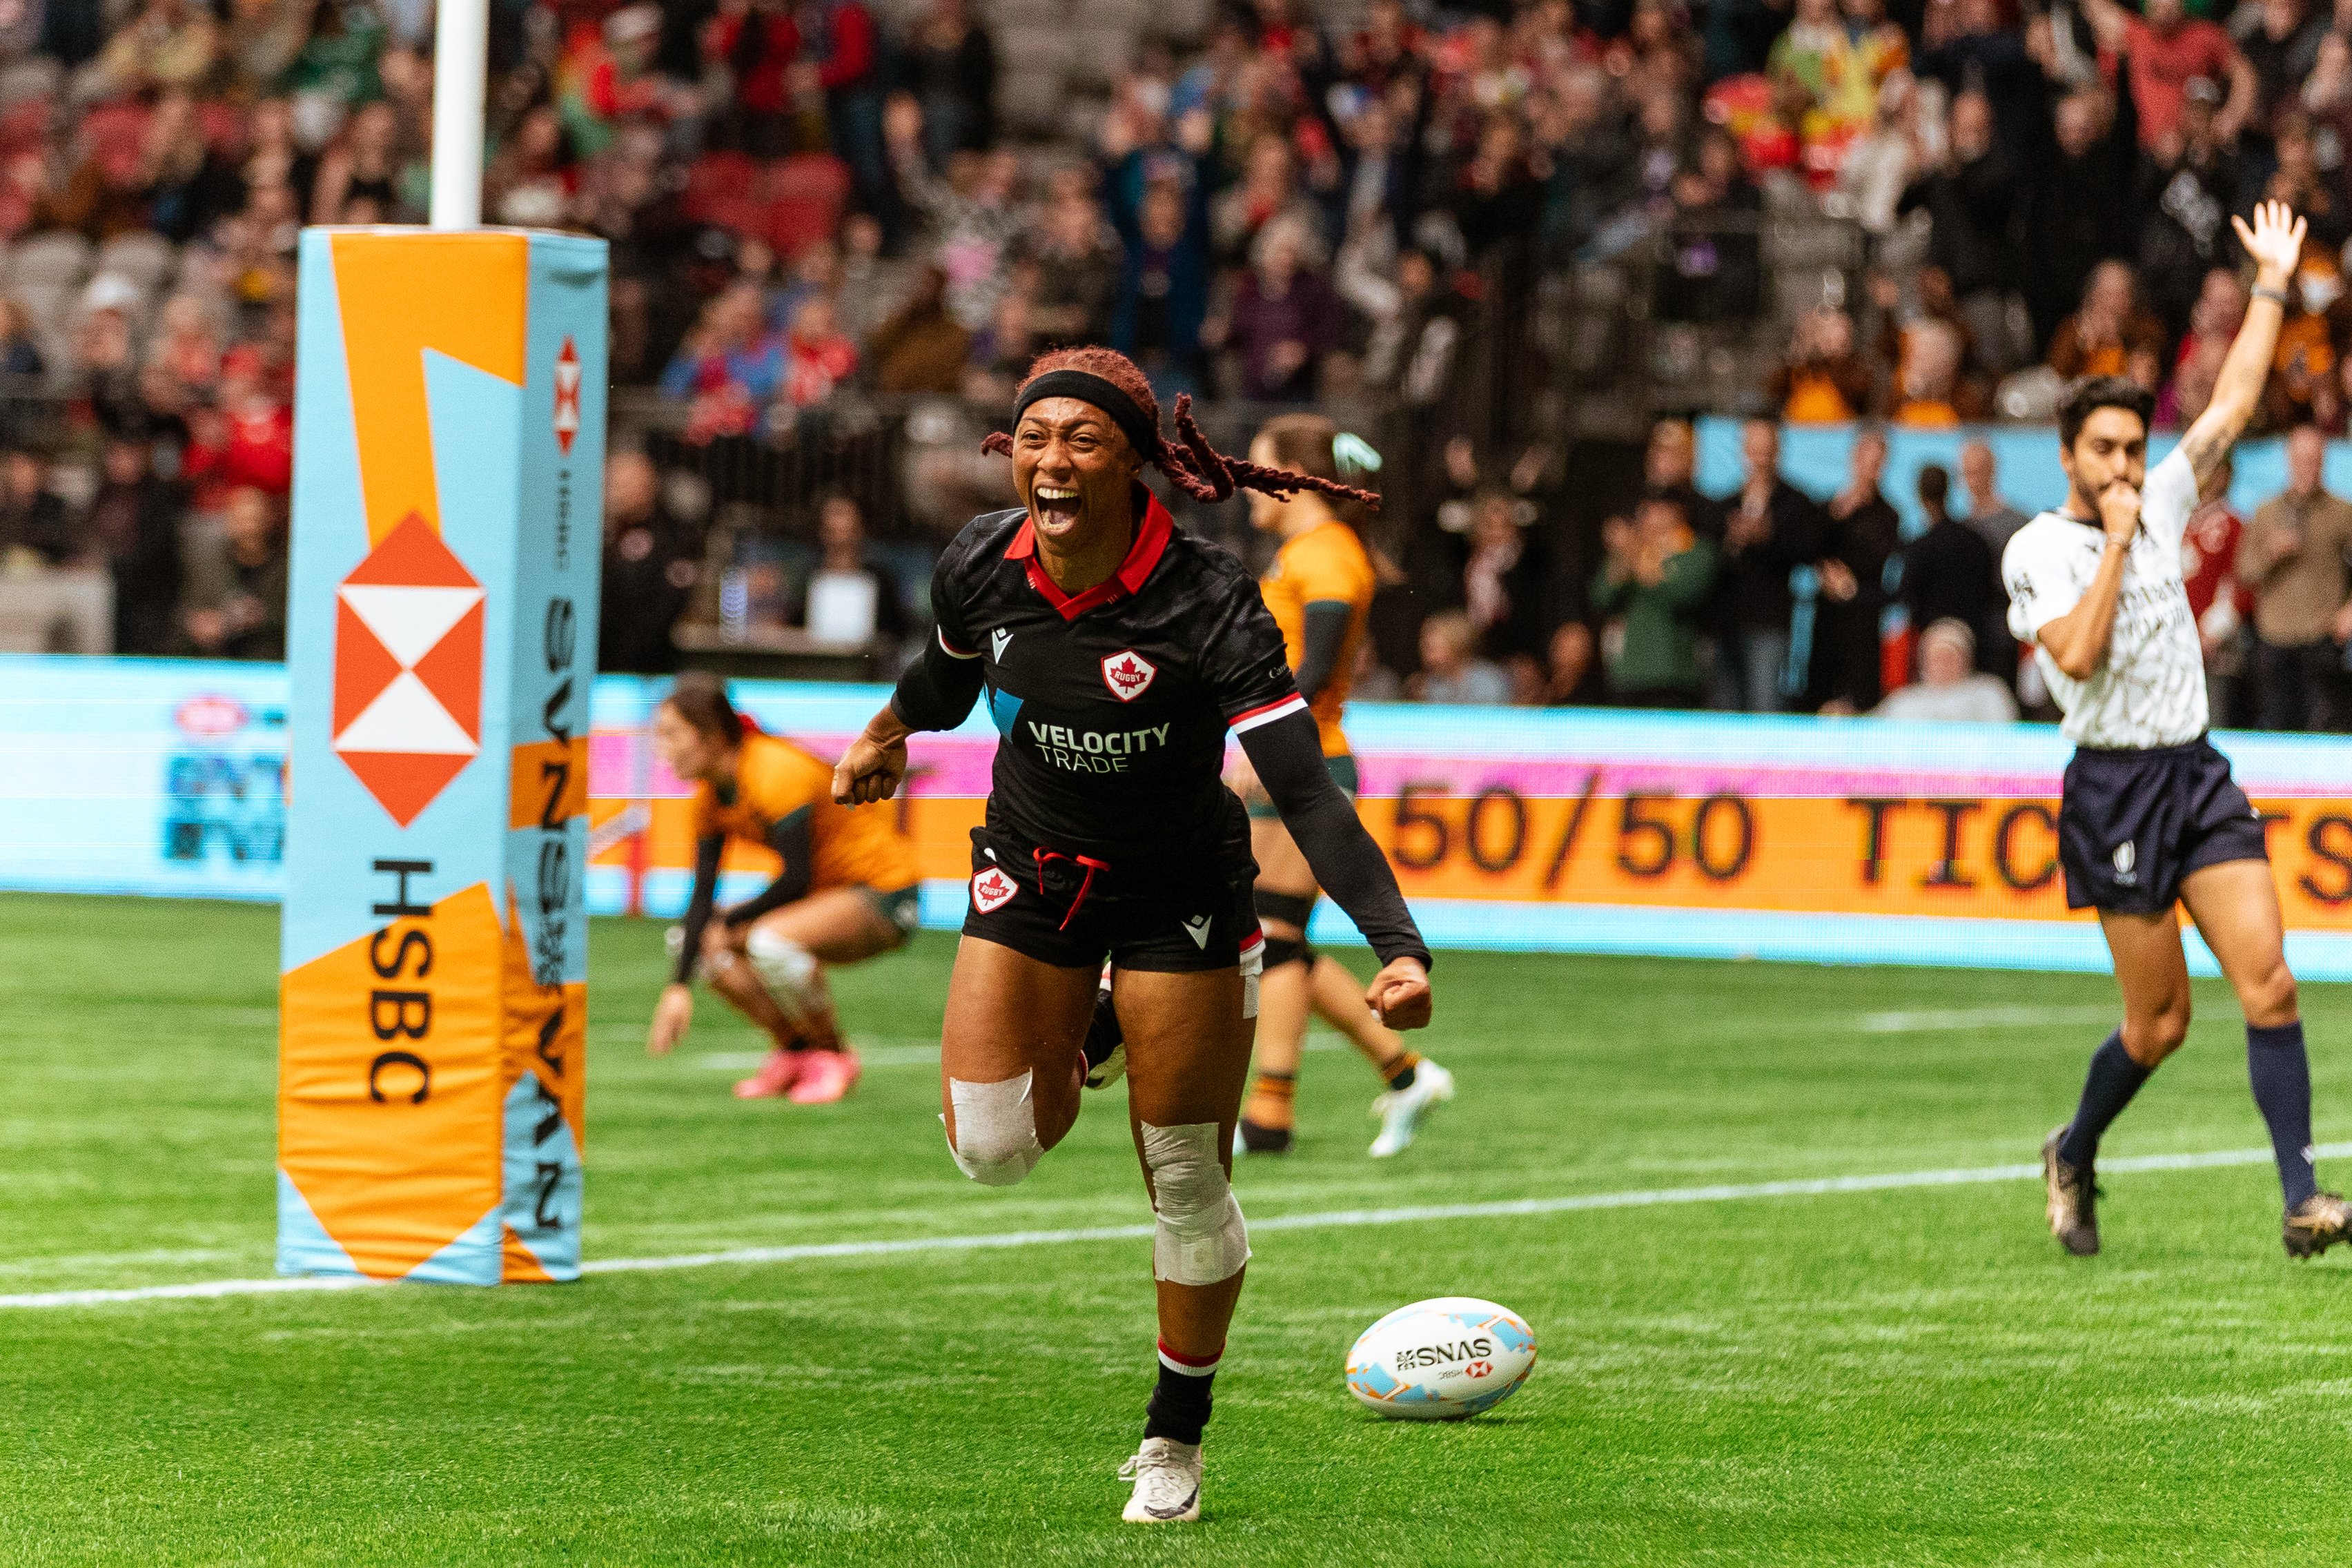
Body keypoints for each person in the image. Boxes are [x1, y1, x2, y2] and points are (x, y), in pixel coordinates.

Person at [827, 347, 1431, 1523]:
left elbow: (1303, 795)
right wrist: (885, 728)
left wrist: (1395, 941)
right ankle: (1091, 1029)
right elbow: (948, 676)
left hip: (1183, 892)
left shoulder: (1206, 598)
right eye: (1034, 435)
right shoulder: (979, 563)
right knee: (992, 1149)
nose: (1051, 459)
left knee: (1185, 1178)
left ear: (1133, 461)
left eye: (1083, 438)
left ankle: (1172, 1437)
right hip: (1030, 868)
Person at [2014, 203, 2352, 1260]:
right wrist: (2116, 543)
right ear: (2069, 456)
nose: (2125, 465)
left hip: (2195, 773)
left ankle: (2302, 1199)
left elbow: (2238, 399)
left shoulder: (2160, 491)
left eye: (2132, 447)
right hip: (2111, 787)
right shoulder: (2040, 549)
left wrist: (2270, 284)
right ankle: (2075, 1147)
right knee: (2160, 1025)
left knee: (2272, 980)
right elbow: (2074, 655)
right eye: (2104, 450)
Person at [1225, 414, 1454, 1159]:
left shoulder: (1323, 554)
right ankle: (1404, 1073)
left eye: (1258, 469)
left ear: (1292, 475)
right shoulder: (1313, 550)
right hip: (1303, 756)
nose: (1247, 486)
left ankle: (1270, 1113)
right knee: (1274, 931)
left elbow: (1316, 663)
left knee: (1274, 933)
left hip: (1307, 761)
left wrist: (1265, 745)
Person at [645, 674, 922, 1104]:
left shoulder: (774, 770)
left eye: (671, 734)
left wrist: (729, 919)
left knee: (769, 940)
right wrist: (677, 987)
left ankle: (833, 1054)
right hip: (828, 896)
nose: (661, 749)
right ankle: (795, 1051)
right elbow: (702, 896)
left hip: (885, 892)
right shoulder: (711, 797)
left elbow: (797, 879)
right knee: (692, 940)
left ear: (712, 736)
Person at [2234, 424, 2352, 732]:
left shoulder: (2342, 513)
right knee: (2274, 726)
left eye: (2314, 459)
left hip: (2322, 636)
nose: (2307, 467)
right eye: (2301, 459)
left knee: (2326, 727)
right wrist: (2270, 553)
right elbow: (2244, 573)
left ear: (2324, 461)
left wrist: (2350, 609)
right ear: (2289, 460)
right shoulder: (2266, 513)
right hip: (2274, 636)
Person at [1592, 496, 1716, 707]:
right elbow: (1602, 598)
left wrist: (1643, 564)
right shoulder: (1629, 552)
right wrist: (1624, 559)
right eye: (1647, 511)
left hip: (1676, 673)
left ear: (1679, 513)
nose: (1653, 519)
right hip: (1629, 673)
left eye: (1662, 510)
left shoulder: (1697, 551)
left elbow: (1682, 596)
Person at [1872, 618, 2017, 721]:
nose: (1943, 663)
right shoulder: (1903, 700)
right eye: (1936, 656)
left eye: (1949, 656)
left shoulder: (1990, 693)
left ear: (1966, 659)